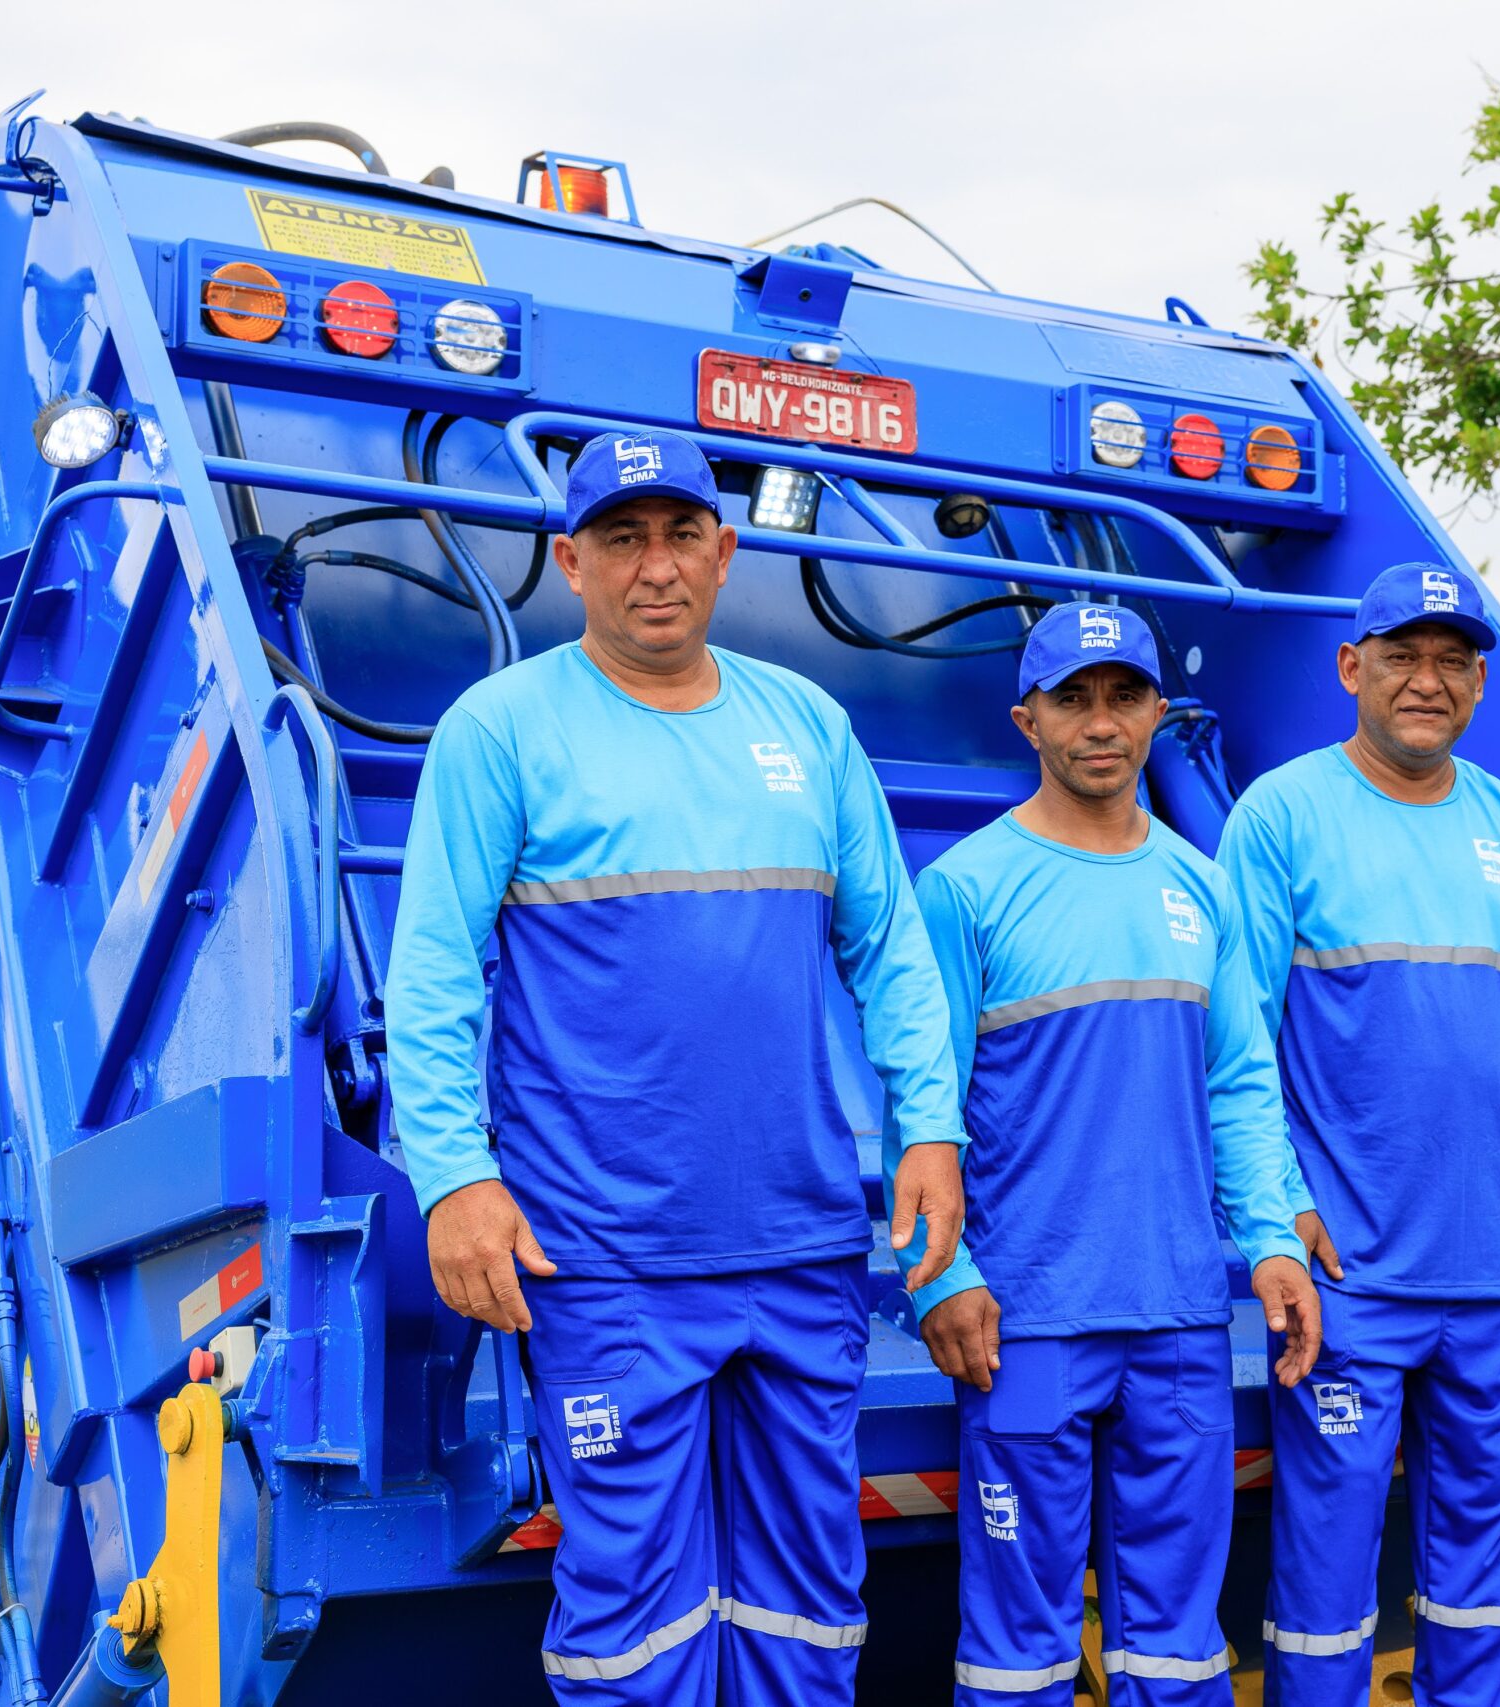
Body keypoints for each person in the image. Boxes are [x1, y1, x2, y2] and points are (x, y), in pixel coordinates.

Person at [386, 429, 971, 1704]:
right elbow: (432, 973)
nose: (656, 567)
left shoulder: (806, 725)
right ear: (569, 561)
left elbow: (892, 952)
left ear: (726, 550)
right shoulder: (501, 730)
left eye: (680, 534)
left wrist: (930, 1131)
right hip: (606, 1259)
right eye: (621, 539)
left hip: (800, 1247)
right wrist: (452, 1178)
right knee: (632, 1610)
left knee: (807, 1599)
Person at [903, 601, 1321, 1705]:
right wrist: (941, 1273)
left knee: (1178, 1649)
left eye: (1124, 696)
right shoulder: (966, 890)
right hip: (1028, 1321)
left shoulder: (1201, 886)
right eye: (1073, 699)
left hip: (1179, 1322)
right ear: (1026, 719)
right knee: (1017, 1651)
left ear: (1157, 712)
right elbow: (922, 1105)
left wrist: (1271, 1240)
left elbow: (1238, 1081)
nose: (1101, 723)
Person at [1217, 561, 1500, 1707]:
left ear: (1480, 686)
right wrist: (1271, 1217)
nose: (1427, 680)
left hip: (1495, 1270)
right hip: (1353, 1280)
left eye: (1453, 660)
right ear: (1353, 667)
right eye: (1402, 654)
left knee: (1485, 1570)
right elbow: (1234, 1045)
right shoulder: (1281, 818)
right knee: (1328, 1574)